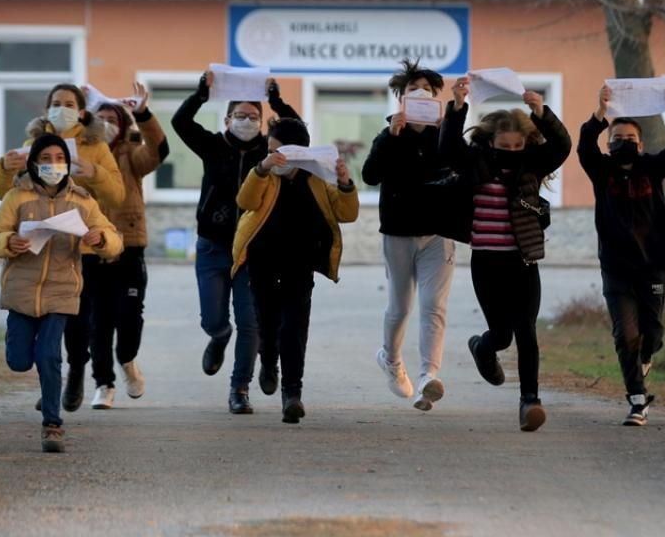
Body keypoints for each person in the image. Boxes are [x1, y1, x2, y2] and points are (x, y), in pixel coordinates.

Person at [440, 77, 571, 432]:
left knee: (526, 330)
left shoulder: (532, 166)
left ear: (525, 143)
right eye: (504, 144)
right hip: (486, 263)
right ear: (492, 140)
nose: (511, 150)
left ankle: (530, 401)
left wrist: (542, 113)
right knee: (501, 335)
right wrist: (457, 106)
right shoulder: (477, 163)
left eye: (517, 144)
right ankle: (483, 348)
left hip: (523, 261)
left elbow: (561, 146)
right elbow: (449, 149)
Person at [0, 134, 123, 452]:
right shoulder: (17, 198)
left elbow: (114, 239)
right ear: (33, 163)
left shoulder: (83, 200)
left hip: (62, 292)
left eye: (58, 158)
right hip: (21, 292)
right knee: (18, 361)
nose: (52, 165)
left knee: (49, 355)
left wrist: (100, 240)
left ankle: (52, 425)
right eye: (45, 159)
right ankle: (24, 356)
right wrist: (7, 242)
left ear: (67, 163)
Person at [171, 70, 301, 414]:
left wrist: (276, 101)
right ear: (227, 119)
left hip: (254, 249)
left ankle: (239, 389)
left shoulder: (268, 149)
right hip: (213, 246)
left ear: (262, 121)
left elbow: (297, 132)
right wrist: (201, 94)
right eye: (240, 115)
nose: (246, 121)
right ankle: (218, 336)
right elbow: (180, 122)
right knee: (213, 318)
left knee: (251, 322)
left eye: (253, 116)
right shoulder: (213, 144)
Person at [0, 83, 126, 412]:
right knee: (38, 343)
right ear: (46, 107)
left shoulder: (96, 145)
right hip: (36, 252)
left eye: (69, 103)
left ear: (82, 110)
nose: (61, 108)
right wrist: (3, 169)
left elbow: (116, 196)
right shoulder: (30, 146)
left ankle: (75, 374)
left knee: (78, 325)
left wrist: (93, 173)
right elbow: (8, 197)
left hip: (80, 249)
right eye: (56, 103)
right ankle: (52, 378)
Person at [231, 118, 360, 424]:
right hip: (262, 260)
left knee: (294, 327)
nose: (272, 155)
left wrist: (345, 183)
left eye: (278, 151)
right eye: (270, 149)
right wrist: (261, 169)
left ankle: (292, 394)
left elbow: (347, 213)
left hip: (300, 263)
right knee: (268, 322)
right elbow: (244, 201)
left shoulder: (317, 177)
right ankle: (268, 361)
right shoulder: (264, 174)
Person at [576, 83, 665, 427]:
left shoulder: (652, 168)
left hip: (652, 262)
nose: (624, 142)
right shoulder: (602, 171)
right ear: (609, 144)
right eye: (617, 137)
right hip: (616, 266)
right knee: (625, 334)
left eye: (630, 138)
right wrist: (600, 113)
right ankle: (637, 400)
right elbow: (583, 147)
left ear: (641, 145)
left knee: (651, 335)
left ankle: (643, 358)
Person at [361, 59, 455, 411]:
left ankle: (428, 376)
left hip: (438, 233)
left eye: (428, 92)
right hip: (398, 232)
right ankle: (391, 359)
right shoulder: (388, 136)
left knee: (434, 306)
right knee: (400, 308)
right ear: (401, 99)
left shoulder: (445, 134)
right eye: (413, 91)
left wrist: (451, 126)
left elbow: (461, 168)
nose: (421, 96)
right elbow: (369, 176)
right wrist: (390, 136)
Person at [87, 84, 170, 409]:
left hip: (129, 245)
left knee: (129, 316)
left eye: (113, 119)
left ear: (122, 124)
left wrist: (143, 114)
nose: (107, 123)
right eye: (101, 118)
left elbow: (159, 151)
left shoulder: (131, 153)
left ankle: (128, 360)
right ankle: (103, 384)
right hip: (92, 247)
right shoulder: (82, 154)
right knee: (99, 320)